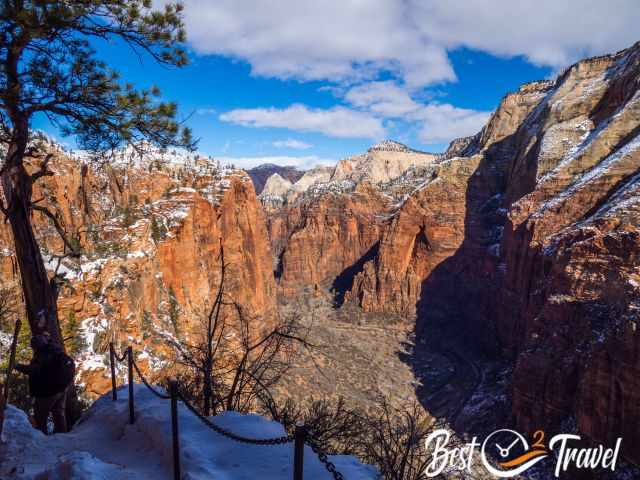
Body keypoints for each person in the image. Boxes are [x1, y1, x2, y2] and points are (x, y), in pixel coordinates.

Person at [14, 334, 75, 434]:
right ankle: (62, 437)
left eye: (33, 346)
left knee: (40, 416)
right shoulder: (55, 350)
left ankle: (41, 439)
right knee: (59, 413)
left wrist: (18, 366)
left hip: (48, 391)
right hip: (62, 388)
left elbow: (34, 370)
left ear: (37, 345)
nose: (33, 348)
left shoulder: (43, 354)